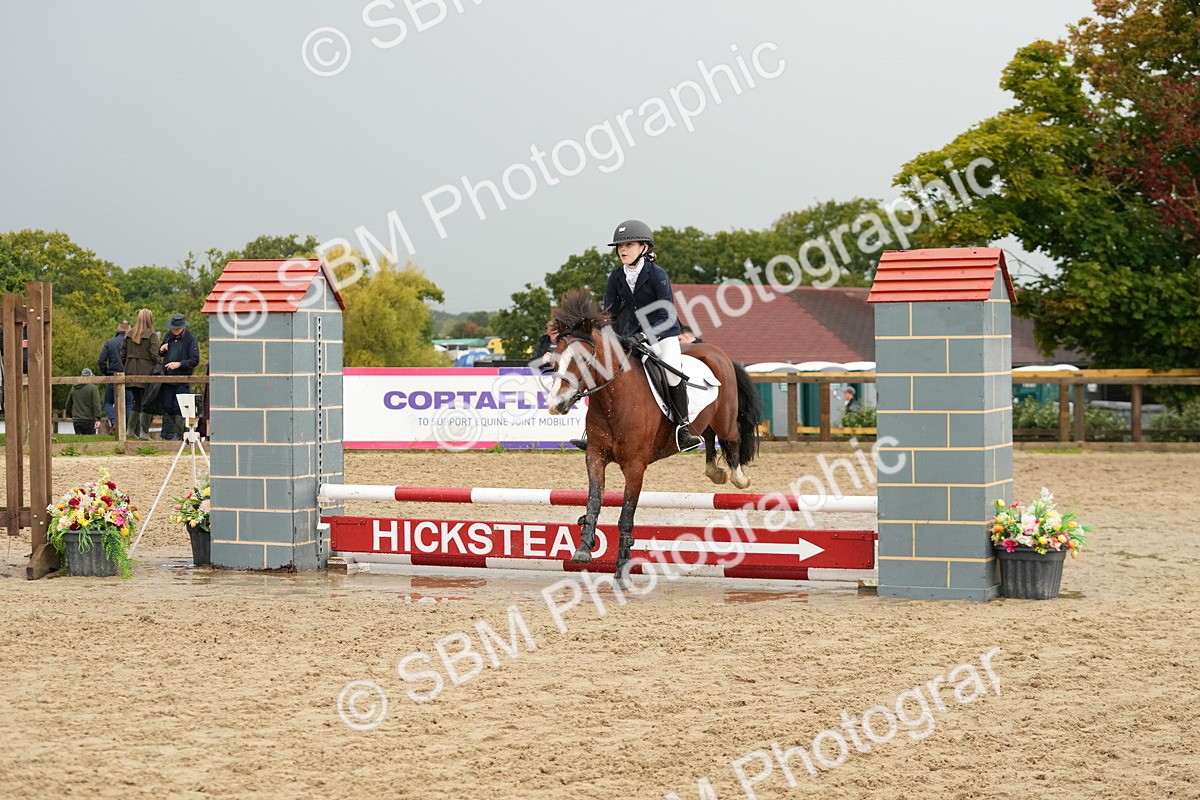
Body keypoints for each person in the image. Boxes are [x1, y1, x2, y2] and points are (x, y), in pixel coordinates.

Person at [568, 219, 703, 454]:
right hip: (629, 335)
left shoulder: (657, 275)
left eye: (628, 244)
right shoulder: (616, 276)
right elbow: (608, 314)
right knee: (602, 369)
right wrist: (607, 337)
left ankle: (682, 429)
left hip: (663, 334)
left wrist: (643, 335)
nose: (622, 249)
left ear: (644, 247)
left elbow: (667, 315)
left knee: (671, 373)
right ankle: (590, 432)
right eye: (620, 246)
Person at [158, 313, 200, 440]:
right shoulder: (168, 336)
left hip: (182, 379)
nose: (175, 331)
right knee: (167, 406)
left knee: (179, 407)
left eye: (177, 329)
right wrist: (162, 350)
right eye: (173, 328)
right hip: (168, 378)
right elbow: (159, 354)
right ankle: (167, 436)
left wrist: (180, 364)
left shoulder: (190, 339)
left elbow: (195, 359)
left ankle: (178, 435)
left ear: (183, 327)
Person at [120, 308, 161, 440]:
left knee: (137, 401)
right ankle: (144, 432)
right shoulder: (152, 335)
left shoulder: (129, 334)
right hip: (145, 372)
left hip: (130, 371)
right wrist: (160, 363)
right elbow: (154, 355)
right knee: (146, 402)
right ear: (150, 319)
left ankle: (130, 431)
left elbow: (122, 354)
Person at [98, 320, 133, 431]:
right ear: (129, 329)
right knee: (128, 403)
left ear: (119, 328)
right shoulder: (133, 343)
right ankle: (125, 426)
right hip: (129, 377)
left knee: (108, 402)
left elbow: (101, 360)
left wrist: (106, 372)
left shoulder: (110, 343)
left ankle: (114, 422)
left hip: (113, 376)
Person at [64, 368, 102, 435]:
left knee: (79, 441)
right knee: (90, 442)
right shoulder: (93, 388)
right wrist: (98, 418)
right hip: (89, 420)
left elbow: (68, 405)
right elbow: (96, 404)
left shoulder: (74, 388)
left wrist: (73, 416)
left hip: (77, 420)